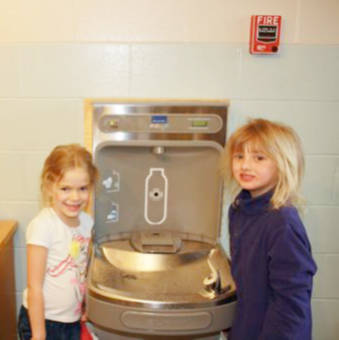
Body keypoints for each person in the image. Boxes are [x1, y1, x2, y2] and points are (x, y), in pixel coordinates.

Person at [220, 118, 317, 340]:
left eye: (259, 158)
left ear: (283, 163)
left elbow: (291, 303)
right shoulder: (240, 208)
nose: (245, 165)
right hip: (249, 326)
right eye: (239, 156)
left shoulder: (282, 224)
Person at [18, 144, 98, 340]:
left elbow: (84, 269)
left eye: (83, 188)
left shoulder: (87, 223)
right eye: (65, 188)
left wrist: (86, 302)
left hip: (71, 320)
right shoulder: (43, 226)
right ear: (49, 186)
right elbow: (34, 286)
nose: (75, 197)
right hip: (43, 321)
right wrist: (39, 335)